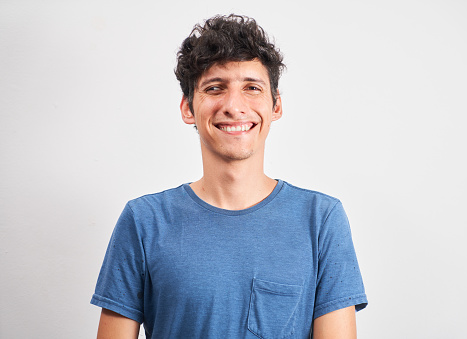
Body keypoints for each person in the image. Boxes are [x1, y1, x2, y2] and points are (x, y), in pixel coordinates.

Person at [91, 14, 367, 338]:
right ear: (188, 108)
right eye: (215, 88)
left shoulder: (321, 220)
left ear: (276, 105)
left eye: (252, 87)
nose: (234, 106)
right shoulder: (143, 221)